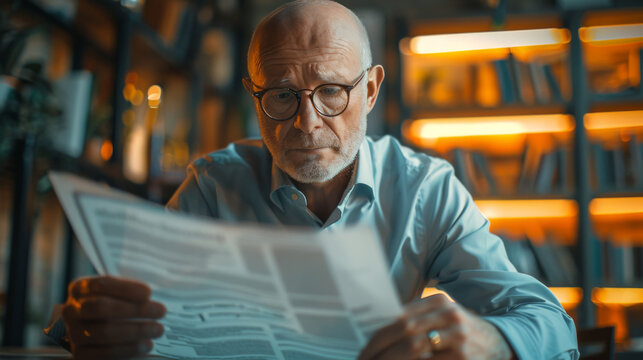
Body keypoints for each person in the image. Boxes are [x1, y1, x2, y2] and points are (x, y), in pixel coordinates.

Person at [48, 1, 580, 359]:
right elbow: (117, 318)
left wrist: (492, 340)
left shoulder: (426, 188)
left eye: (331, 91)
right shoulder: (214, 186)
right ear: (253, 96)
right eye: (281, 95)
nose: (306, 123)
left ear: (370, 91)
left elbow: (550, 323)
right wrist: (91, 326)